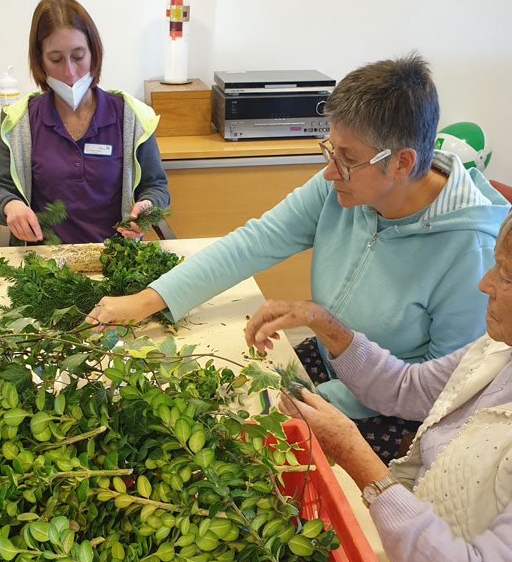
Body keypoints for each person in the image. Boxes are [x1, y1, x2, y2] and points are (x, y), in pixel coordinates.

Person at [87, 54, 510, 462]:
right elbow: (253, 242)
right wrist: (146, 300)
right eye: (331, 149)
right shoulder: (348, 185)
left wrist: (312, 400)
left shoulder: (470, 251)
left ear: (402, 163)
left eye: (346, 159)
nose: (329, 171)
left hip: (386, 414)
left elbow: (435, 395)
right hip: (326, 361)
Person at [244, 209, 512, 562]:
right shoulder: (497, 350)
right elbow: (409, 389)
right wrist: (325, 324)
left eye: (505, 274)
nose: (485, 283)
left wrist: (356, 456)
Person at [0, 0, 169, 245]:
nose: (70, 72)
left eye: (79, 56)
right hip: (43, 265)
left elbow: (156, 186)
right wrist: (11, 205)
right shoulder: (18, 122)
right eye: (56, 60)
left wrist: (147, 206)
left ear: (94, 54)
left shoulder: (132, 118)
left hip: (115, 258)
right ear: (40, 61)